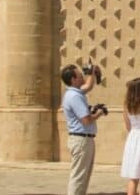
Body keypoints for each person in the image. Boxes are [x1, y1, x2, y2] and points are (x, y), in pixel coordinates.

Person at [61, 62, 105, 195]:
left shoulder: (74, 93)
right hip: (81, 140)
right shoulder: (75, 96)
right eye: (80, 75)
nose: (82, 76)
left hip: (83, 139)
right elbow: (86, 120)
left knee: (83, 177)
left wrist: (90, 71)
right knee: (78, 178)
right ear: (74, 79)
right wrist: (99, 113)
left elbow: (89, 85)